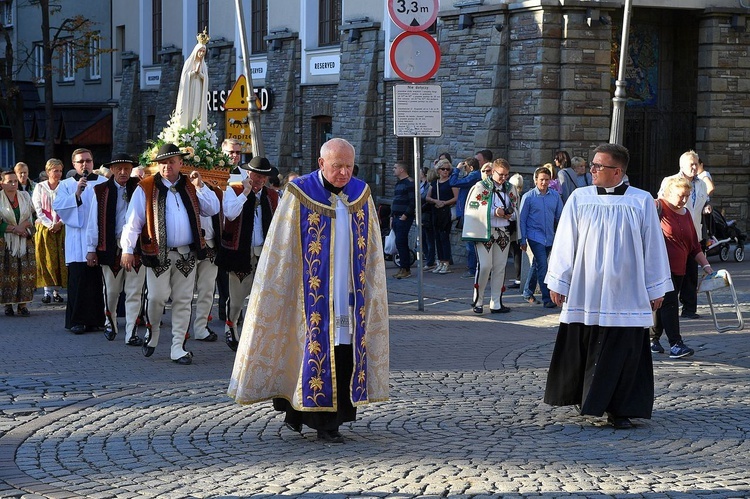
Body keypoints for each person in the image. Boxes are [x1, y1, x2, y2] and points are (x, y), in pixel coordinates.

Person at [228, 138, 389, 444]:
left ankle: (332, 420)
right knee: (307, 349)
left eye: (348, 166)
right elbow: (282, 249)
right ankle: (304, 414)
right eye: (337, 166)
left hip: (348, 292)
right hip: (309, 294)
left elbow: (371, 250)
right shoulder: (299, 193)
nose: (343, 173)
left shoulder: (360, 194)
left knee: (342, 351)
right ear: (321, 163)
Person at [543, 143, 672, 429]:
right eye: (592, 164)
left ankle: (620, 409)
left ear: (617, 172)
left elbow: (653, 247)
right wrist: (559, 281)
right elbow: (566, 242)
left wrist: (655, 288)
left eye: (598, 166)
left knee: (623, 351)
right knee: (585, 342)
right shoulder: (580, 198)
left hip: (625, 292)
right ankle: (586, 399)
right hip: (586, 290)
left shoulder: (640, 201)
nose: (591, 170)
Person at [119, 143, 220, 365]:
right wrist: (127, 249)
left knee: (184, 300)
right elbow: (133, 222)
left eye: (171, 162)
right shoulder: (145, 187)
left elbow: (212, 209)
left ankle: (178, 347)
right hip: (158, 254)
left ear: (180, 163)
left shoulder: (191, 186)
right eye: (162, 163)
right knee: (156, 298)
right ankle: (153, 332)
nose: (167, 167)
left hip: (186, 255)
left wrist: (201, 185)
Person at [216, 156, 278, 351]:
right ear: (248, 174)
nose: (259, 179)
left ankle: (255, 335)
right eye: (256, 175)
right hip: (240, 251)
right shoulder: (233, 190)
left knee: (262, 297)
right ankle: (231, 324)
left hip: (263, 253)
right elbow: (230, 214)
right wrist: (246, 192)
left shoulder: (273, 196)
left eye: (263, 177)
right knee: (236, 298)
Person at [85, 153, 145, 346]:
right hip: (110, 246)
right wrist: (91, 248)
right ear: (111, 169)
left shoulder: (141, 187)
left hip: (136, 247)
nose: (123, 172)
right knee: (111, 291)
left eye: (127, 168)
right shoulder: (101, 190)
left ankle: (131, 332)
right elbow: (93, 221)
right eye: (119, 168)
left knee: (135, 291)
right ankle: (110, 321)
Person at [650, 176, 710, 359]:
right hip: (660, 268)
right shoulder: (657, 207)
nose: (684, 200)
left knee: (662, 305)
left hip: (679, 269)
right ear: (668, 192)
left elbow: (694, 246)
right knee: (669, 303)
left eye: (687, 195)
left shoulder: (686, 214)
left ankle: (653, 338)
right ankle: (676, 344)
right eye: (681, 195)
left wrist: (706, 265)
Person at [53, 148, 108, 334]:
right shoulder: (67, 184)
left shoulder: (104, 182)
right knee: (78, 281)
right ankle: (77, 320)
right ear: (74, 165)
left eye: (88, 160)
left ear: (93, 162)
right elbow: (59, 207)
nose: (85, 164)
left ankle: (97, 319)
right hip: (77, 240)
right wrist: (76, 194)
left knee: (96, 282)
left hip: (97, 239)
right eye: (80, 161)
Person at [658, 150, 709, 320]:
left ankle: (689, 308)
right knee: (673, 280)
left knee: (690, 274)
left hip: (693, 233)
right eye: (691, 164)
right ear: (682, 166)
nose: (695, 167)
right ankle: (659, 331)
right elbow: (662, 203)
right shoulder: (670, 182)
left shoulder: (701, 183)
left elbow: (701, 204)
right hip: (672, 238)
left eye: (696, 163)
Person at [462, 158, 518, 314]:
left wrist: (509, 215)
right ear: (493, 171)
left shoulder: (510, 188)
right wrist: (495, 212)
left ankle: (496, 302)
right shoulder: (480, 187)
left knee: (500, 267)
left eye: (506, 175)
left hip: (503, 233)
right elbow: (473, 209)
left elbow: (515, 208)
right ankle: (478, 300)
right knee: (485, 266)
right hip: (485, 232)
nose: (504, 178)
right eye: (501, 174)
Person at [518, 167, 562, 308]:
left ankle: (527, 291)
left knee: (537, 264)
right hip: (534, 236)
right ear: (536, 180)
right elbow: (522, 220)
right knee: (543, 266)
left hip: (549, 236)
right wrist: (522, 239)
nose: (544, 182)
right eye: (541, 179)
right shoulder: (529, 197)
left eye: (547, 179)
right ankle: (546, 298)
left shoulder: (555, 196)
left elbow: (560, 217)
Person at [0, 169, 36, 317]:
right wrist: (15, 229)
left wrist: (23, 229)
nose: (14, 184)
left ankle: (23, 304)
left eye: (15, 181)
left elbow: (33, 216)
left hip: (24, 240)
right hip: (5, 243)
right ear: (1, 183)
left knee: (26, 272)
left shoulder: (25, 196)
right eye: (10, 181)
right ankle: (8, 304)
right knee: (8, 272)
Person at [32, 159, 66, 304]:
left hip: (61, 226)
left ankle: (57, 291)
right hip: (45, 227)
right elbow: (37, 208)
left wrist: (59, 223)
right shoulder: (40, 187)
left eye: (59, 171)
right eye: (55, 170)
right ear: (48, 172)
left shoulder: (65, 186)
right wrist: (48, 224)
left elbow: (68, 206)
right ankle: (46, 291)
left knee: (60, 257)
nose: (57, 174)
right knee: (46, 258)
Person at [449, 157, 482, 279]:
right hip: (466, 213)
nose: (464, 168)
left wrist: (457, 170)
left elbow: (452, 183)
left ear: (471, 167)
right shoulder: (472, 175)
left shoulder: (473, 176)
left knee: (471, 244)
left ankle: (473, 269)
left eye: (466, 166)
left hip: (469, 214)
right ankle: (473, 268)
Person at [425, 159, 458, 274]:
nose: (445, 171)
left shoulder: (451, 182)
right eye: (443, 169)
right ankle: (440, 261)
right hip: (436, 211)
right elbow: (427, 197)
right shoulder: (435, 183)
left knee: (444, 237)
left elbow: (456, 197)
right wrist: (435, 201)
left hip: (446, 211)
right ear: (438, 170)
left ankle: (446, 262)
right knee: (437, 237)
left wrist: (444, 202)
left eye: (447, 169)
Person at [175, 30, 209, 131]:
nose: (202, 53)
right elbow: (184, 77)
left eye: (203, 51)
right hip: (189, 87)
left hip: (198, 86)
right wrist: (194, 73)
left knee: (197, 106)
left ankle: (196, 127)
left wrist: (201, 75)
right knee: (189, 107)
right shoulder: (189, 62)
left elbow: (206, 78)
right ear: (196, 51)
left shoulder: (204, 65)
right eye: (200, 51)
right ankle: (187, 127)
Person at [391, 160, 415, 279]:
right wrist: (392, 216)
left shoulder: (409, 183)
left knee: (401, 242)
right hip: (396, 217)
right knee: (398, 243)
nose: (393, 169)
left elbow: (413, 201)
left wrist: (405, 215)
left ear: (402, 170)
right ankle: (402, 268)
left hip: (403, 217)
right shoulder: (399, 183)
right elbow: (396, 200)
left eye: (395, 168)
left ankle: (406, 268)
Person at [507, 172, 524, 289]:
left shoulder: (513, 198)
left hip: (514, 230)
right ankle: (519, 278)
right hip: (518, 229)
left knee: (516, 254)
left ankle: (519, 279)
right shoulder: (522, 196)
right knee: (517, 253)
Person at [419, 166, 437, 271]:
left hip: (427, 215)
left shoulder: (429, 186)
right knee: (423, 239)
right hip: (422, 214)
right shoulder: (421, 185)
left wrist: (420, 208)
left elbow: (426, 199)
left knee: (429, 238)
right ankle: (428, 258)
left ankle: (430, 261)